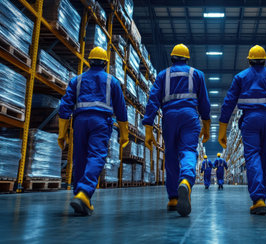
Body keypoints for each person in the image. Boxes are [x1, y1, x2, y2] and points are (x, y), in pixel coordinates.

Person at [218, 45, 266, 215]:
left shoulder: (241, 77)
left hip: (250, 120)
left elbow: (228, 103)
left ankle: (258, 198)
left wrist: (222, 128)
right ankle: (261, 196)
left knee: (252, 156)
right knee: (264, 158)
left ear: (249, 60)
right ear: (265, 60)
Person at [58, 47, 129, 216]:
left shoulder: (77, 80)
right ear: (105, 63)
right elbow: (121, 109)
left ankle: (81, 197)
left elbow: (64, 106)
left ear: (89, 61)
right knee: (96, 156)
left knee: (80, 158)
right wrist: (124, 134)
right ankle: (84, 193)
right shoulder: (112, 81)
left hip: (80, 122)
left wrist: (62, 132)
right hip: (100, 122)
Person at [143, 44, 211, 216]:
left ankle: (173, 197)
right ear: (187, 58)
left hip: (169, 117)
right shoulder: (197, 74)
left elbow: (152, 102)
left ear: (172, 58)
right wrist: (207, 126)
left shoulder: (162, 75)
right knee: (188, 150)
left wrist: (149, 128)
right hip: (189, 116)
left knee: (171, 155)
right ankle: (186, 181)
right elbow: (204, 102)